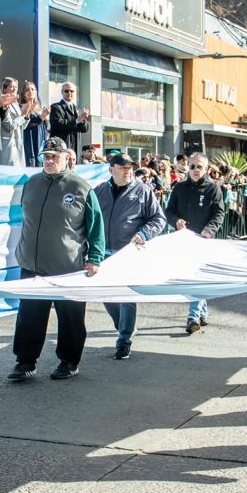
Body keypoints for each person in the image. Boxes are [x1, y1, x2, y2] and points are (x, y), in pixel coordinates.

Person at [8, 137, 104, 382]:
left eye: (55, 157)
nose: (49, 161)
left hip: (68, 267)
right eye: (46, 156)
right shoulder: (31, 184)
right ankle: (25, 362)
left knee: (71, 318)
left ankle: (69, 361)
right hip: (32, 265)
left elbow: (96, 228)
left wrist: (94, 258)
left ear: (67, 159)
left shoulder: (81, 187)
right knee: (30, 316)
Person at [94, 152, 165, 359]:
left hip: (128, 253)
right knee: (105, 295)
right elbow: (90, 219)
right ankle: (122, 326)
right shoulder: (99, 191)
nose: (128, 171)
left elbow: (158, 219)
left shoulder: (143, 191)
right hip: (103, 253)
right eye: (123, 167)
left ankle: (123, 340)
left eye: (130, 168)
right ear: (111, 169)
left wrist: (143, 234)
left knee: (126, 297)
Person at [165, 152, 225, 332]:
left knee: (196, 277)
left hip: (203, 239)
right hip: (184, 240)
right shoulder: (179, 188)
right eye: (192, 166)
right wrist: (176, 221)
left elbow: (219, 213)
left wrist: (210, 228)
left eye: (199, 166)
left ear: (206, 169)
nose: (195, 170)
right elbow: (168, 211)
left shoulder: (213, 189)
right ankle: (202, 311)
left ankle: (193, 317)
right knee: (191, 277)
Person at [0, 77, 28, 168]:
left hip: (18, 144)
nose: (14, 89)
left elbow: (22, 126)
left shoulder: (16, 104)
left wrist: (26, 116)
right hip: (8, 146)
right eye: (11, 86)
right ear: (4, 88)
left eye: (16, 87)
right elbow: (9, 125)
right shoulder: (3, 103)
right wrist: (23, 115)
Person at [48, 81, 89, 153]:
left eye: (72, 91)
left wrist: (82, 120)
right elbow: (57, 124)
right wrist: (77, 120)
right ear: (62, 92)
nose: (69, 93)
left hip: (75, 148)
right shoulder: (55, 107)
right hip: (61, 147)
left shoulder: (77, 109)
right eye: (66, 91)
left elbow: (84, 129)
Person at [19, 81, 48, 167]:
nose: (30, 91)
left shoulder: (40, 107)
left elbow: (47, 126)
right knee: (30, 163)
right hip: (29, 138)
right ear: (23, 93)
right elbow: (24, 125)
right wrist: (40, 119)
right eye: (27, 90)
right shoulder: (21, 107)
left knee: (40, 163)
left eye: (32, 89)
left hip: (41, 138)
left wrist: (45, 118)